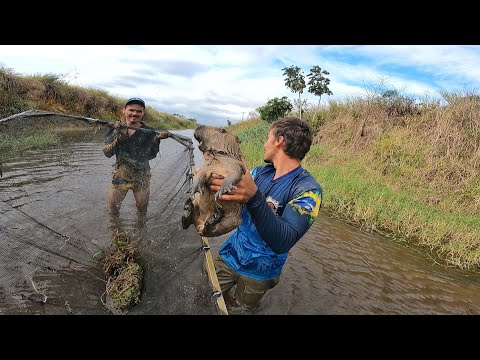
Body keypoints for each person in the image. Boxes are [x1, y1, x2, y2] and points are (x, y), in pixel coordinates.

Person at [209, 117, 323, 311]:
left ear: (279, 140)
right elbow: (231, 200)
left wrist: (254, 197)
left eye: (267, 137)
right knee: (205, 295)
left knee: (239, 309)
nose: (264, 143)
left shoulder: (308, 191)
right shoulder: (259, 172)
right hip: (230, 255)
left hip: (259, 272)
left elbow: (283, 242)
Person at [102, 97, 169, 218]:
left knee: (142, 210)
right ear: (124, 110)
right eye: (131, 110)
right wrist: (118, 139)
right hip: (120, 176)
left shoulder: (148, 131)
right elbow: (107, 153)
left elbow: (151, 155)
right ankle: (117, 232)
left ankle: (141, 231)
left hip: (142, 178)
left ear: (143, 113)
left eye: (139, 111)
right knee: (113, 210)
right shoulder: (115, 128)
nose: (135, 113)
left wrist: (157, 140)